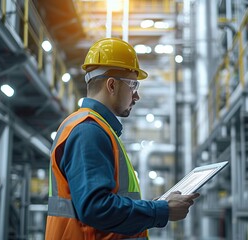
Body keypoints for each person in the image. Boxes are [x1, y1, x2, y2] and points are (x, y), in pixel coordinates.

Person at [45, 37, 199, 239]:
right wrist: (161, 210)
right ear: (111, 85)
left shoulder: (95, 128)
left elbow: (103, 202)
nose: (137, 96)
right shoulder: (88, 130)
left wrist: (150, 207)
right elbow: (96, 208)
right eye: (133, 85)